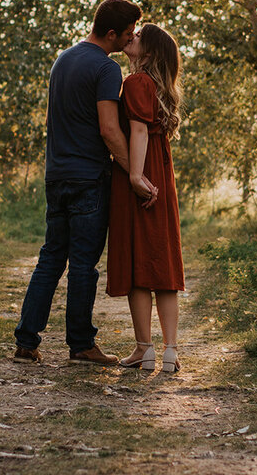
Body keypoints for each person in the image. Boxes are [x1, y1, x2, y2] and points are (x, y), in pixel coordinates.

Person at [13, 0, 157, 365]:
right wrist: (134, 174)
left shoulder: (63, 59)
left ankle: (27, 341)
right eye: (126, 35)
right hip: (89, 178)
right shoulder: (106, 70)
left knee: (51, 257)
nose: (129, 41)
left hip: (56, 174)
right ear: (110, 33)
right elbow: (109, 130)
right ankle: (81, 345)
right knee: (82, 265)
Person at [106, 23, 186, 373]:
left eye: (138, 37)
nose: (130, 37)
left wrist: (135, 175)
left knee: (139, 261)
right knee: (162, 259)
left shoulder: (136, 82)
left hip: (142, 167)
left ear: (149, 52)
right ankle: (169, 351)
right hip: (162, 170)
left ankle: (144, 349)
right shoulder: (161, 88)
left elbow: (138, 130)